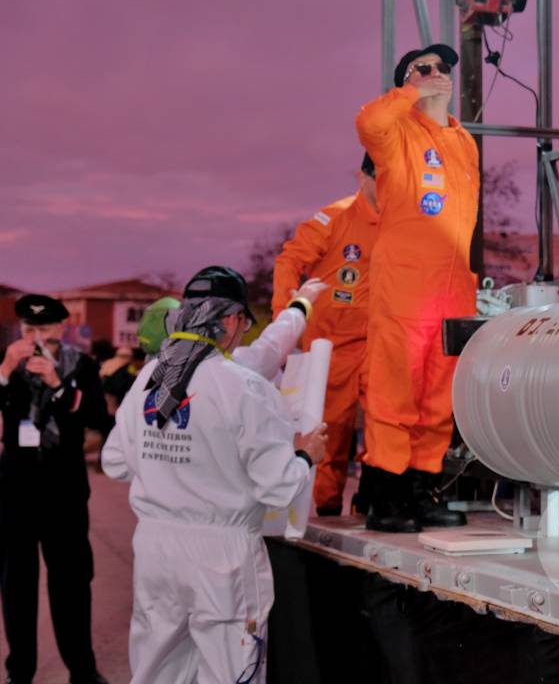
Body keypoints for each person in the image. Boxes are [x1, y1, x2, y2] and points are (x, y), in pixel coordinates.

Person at [101, 265, 328, 683]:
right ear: (229, 320)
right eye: (244, 323)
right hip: (221, 557)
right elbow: (278, 486)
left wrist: (170, 465)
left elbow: (114, 461)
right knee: (230, 673)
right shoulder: (243, 386)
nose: (243, 334)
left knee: (157, 671)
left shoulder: (149, 380)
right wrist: (305, 455)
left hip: (156, 551)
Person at [354, 42, 478, 532]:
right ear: (406, 81)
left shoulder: (464, 142)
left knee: (438, 395)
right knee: (393, 389)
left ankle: (423, 488)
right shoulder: (395, 131)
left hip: (451, 290)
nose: (435, 74)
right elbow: (368, 123)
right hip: (403, 286)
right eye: (421, 68)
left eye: (440, 68)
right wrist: (407, 92)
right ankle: (383, 494)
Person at [0, 294, 109, 684]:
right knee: (17, 588)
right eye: (29, 329)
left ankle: (82, 669)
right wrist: (5, 369)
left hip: (64, 492)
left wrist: (58, 385)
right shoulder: (7, 364)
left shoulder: (83, 366)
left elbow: (99, 419)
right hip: (16, 492)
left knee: (72, 583)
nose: (37, 337)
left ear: (62, 329)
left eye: (45, 329)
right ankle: (20, 673)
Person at [272, 153, 379, 516]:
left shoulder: (402, 223)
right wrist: (287, 321)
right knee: (329, 433)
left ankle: (372, 502)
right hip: (332, 348)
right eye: (382, 180)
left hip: (381, 344)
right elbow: (289, 262)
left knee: (387, 428)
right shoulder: (335, 218)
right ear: (364, 177)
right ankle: (324, 510)